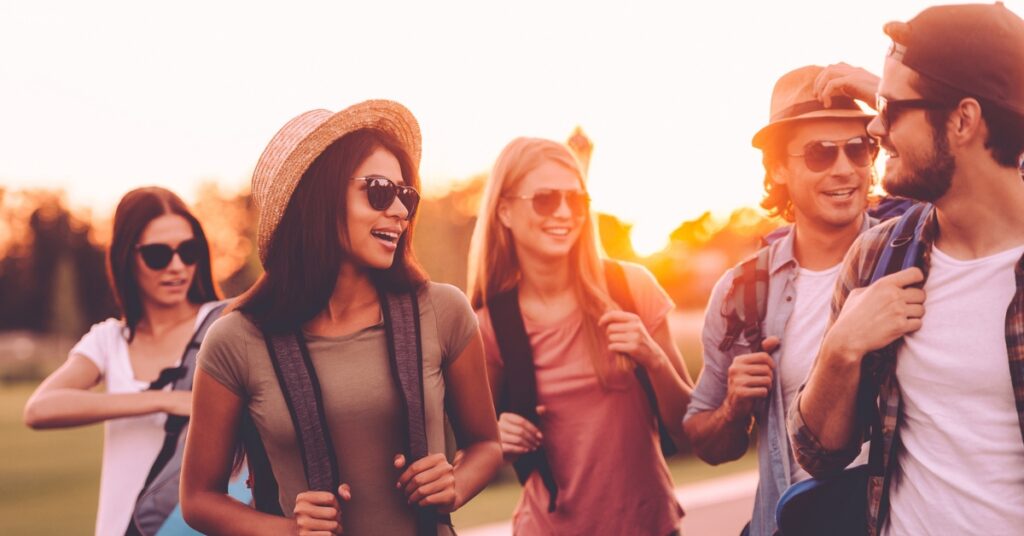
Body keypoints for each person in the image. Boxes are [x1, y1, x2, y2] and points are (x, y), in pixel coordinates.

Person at [180, 100, 502, 536]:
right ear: (321, 194)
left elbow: (486, 444)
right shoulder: (235, 339)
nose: (400, 212)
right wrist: (289, 530)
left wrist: (455, 483)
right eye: (379, 190)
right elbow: (198, 499)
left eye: (406, 196)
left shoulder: (443, 310)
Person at [790, 4, 1024, 535]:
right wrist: (839, 349)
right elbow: (818, 454)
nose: (875, 127)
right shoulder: (877, 257)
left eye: (890, 106)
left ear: (963, 119)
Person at [682, 64, 880, 536]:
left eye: (859, 148)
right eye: (819, 153)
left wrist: (879, 91)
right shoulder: (741, 291)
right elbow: (704, 439)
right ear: (777, 168)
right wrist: (733, 408)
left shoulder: (913, 252)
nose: (844, 168)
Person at [467, 137, 693, 535]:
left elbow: (689, 427)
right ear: (504, 210)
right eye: (545, 199)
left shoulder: (631, 288)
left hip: (650, 525)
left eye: (576, 200)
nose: (564, 212)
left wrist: (653, 359)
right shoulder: (489, 325)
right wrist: (496, 441)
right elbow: (477, 449)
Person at [23, 186, 225, 535]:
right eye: (158, 255)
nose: (177, 266)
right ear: (126, 257)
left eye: (188, 251)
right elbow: (39, 409)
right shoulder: (109, 339)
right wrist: (165, 400)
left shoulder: (225, 322)